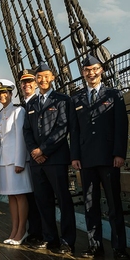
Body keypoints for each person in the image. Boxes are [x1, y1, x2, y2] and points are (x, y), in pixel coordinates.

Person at [70, 54, 130, 259]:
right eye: (87, 70)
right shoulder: (76, 99)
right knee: (90, 204)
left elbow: (121, 127)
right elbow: (75, 130)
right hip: (86, 159)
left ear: (101, 70)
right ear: (83, 73)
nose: (91, 73)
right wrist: (75, 156)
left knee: (114, 205)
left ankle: (119, 248)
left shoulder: (113, 95)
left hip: (108, 158)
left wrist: (119, 154)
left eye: (95, 69)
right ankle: (95, 246)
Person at [23, 61, 76, 255]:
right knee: (43, 201)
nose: (43, 79)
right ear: (36, 81)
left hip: (56, 159)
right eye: (39, 77)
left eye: (46, 76)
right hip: (37, 162)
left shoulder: (62, 100)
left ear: (52, 78)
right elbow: (27, 130)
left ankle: (67, 241)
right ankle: (49, 238)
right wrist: (34, 151)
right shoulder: (31, 104)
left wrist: (43, 150)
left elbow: (62, 128)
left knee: (63, 200)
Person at [0, 79, 32, 246]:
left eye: (5, 93)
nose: (2, 95)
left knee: (20, 195)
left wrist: (20, 161)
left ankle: (22, 230)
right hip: (4, 162)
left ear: (10, 94)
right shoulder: (0, 114)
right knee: (11, 197)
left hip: (16, 161)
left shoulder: (18, 111)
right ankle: (14, 229)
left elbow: (21, 139)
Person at [18, 69, 43, 245]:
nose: (27, 85)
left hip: (38, 157)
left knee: (40, 196)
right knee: (28, 196)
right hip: (23, 158)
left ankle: (39, 232)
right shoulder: (20, 107)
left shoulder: (38, 102)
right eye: (24, 82)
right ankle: (32, 231)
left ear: (35, 83)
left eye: (29, 82)